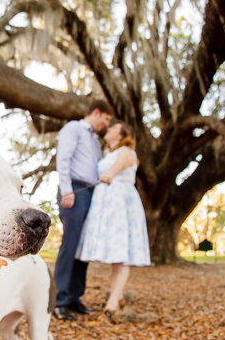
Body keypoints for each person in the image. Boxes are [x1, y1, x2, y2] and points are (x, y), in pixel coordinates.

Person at [76, 121, 151, 319]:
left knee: (122, 253)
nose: (107, 130)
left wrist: (108, 174)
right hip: (106, 202)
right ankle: (117, 297)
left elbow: (115, 169)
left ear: (122, 134)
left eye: (112, 128)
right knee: (115, 254)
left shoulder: (126, 151)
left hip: (120, 202)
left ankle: (112, 303)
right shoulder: (108, 152)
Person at [53, 100, 114, 321]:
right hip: (75, 191)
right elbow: (64, 159)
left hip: (91, 194)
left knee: (83, 246)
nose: (106, 124)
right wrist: (67, 190)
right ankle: (59, 300)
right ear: (96, 113)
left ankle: (74, 297)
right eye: (106, 119)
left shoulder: (95, 141)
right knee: (71, 243)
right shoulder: (74, 128)